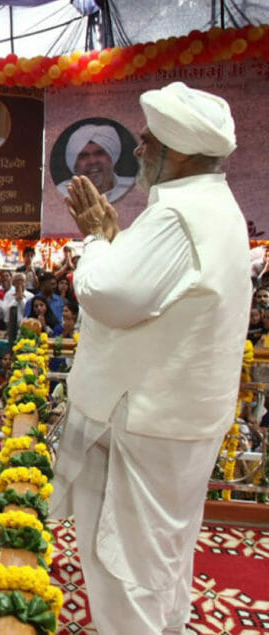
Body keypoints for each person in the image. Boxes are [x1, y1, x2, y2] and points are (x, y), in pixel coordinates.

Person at [53, 82, 250, 634]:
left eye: (145, 141)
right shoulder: (213, 208)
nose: (136, 151)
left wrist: (95, 239)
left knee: (126, 569)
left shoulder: (180, 217)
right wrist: (113, 239)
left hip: (146, 426)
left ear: (179, 151)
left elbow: (108, 296)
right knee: (161, 558)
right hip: (176, 420)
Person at [56, 122, 136, 202]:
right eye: (84, 156)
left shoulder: (132, 188)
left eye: (99, 153)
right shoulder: (63, 192)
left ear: (111, 157)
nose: (92, 161)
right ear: (74, 163)